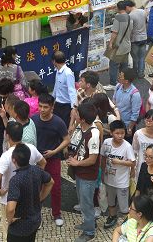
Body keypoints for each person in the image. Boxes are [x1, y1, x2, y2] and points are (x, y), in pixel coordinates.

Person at [0, 122, 46, 240]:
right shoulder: (31, 148)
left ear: (7, 135)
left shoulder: (6, 156)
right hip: (29, 195)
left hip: (9, 199)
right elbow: (43, 163)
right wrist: (36, 178)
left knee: (9, 230)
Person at [32, 93, 70, 227]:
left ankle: (56, 213)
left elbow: (66, 140)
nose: (42, 109)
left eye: (45, 107)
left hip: (53, 159)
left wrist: (55, 151)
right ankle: (36, 213)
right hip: (37, 160)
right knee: (36, 187)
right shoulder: (34, 119)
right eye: (40, 106)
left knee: (55, 187)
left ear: (52, 107)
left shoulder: (58, 122)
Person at [66, 103, 101, 241]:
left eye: (77, 114)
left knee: (87, 204)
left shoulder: (93, 134)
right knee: (83, 201)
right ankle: (88, 223)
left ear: (83, 119)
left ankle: (89, 232)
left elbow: (93, 159)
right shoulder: (80, 127)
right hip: (80, 172)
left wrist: (77, 162)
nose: (75, 114)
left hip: (88, 175)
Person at [6, 143, 54, 242]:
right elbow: (50, 182)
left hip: (19, 228)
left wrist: (10, 220)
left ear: (13, 160)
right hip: (35, 221)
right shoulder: (37, 170)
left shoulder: (15, 180)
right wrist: (40, 198)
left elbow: (11, 209)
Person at [101, 120, 136, 230]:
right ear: (111, 133)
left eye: (122, 133)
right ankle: (112, 216)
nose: (120, 136)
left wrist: (120, 162)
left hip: (122, 181)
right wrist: (102, 172)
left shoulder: (127, 146)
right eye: (117, 133)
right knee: (110, 200)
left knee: (124, 205)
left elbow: (132, 162)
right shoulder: (106, 142)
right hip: (109, 179)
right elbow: (103, 157)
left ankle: (128, 222)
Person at [106, 1, 133, 90]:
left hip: (118, 46)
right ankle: (123, 82)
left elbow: (114, 32)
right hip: (127, 45)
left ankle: (113, 84)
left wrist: (110, 42)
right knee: (124, 66)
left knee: (113, 64)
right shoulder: (129, 17)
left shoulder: (118, 18)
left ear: (118, 8)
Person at [112, 68, 142, 143]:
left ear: (126, 81)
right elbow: (114, 100)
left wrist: (130, 128)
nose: (119, 77)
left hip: (126, 125)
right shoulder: (118, 86)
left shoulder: (135, 94)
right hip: (117, 120)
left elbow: (135, 113)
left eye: (121, 76)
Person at [52, 50, 77, 127]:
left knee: (63, 126)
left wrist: (74, 107)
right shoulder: (58, 71)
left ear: (54, 61)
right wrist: (52, 100)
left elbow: (72, 91)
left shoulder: (68, 73)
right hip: (58, 104)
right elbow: (56, 87)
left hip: (66, 106)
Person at [125, 0, 148, 79]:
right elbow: (146, 23)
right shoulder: (143, 12)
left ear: (128, 7)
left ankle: (135, 72)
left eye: (126, 9)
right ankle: (141, 73)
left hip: (135, 39)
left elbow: (130, 29)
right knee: (142, 57)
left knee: (135, 58)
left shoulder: (130, 15)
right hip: (144, 38)